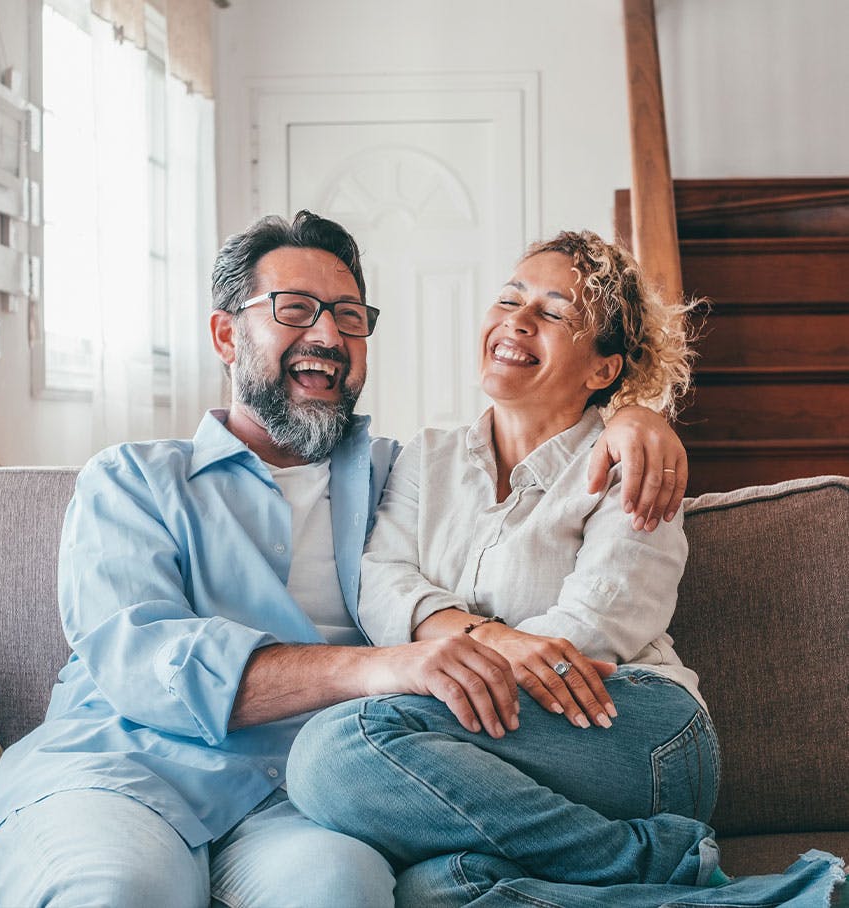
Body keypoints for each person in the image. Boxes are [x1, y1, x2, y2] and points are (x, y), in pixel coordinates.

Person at [0, 213, 694, 908]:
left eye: (349, 316)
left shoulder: (396, 473)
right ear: (226, 334)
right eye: (294, 309)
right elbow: (142, 658)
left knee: (340, 891)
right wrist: (384, 666)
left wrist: (639, 417)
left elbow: (548, 440)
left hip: (297, 797)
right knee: (118, 893)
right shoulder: (130, 480)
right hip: (123, 773)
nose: (327, 333)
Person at [284, 231, 847, 907]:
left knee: (337, 749)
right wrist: (487, 639)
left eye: (553, 313)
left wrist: (449, 650)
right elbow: (382, 583)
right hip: (506, 739)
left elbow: (586, 636)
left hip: (632, 724)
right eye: (510, 299)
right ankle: (762, 897)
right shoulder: (425, 458)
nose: (517, 320)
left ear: (603, 370)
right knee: (438, 889)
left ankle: (664, 860)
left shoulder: (631, 464)